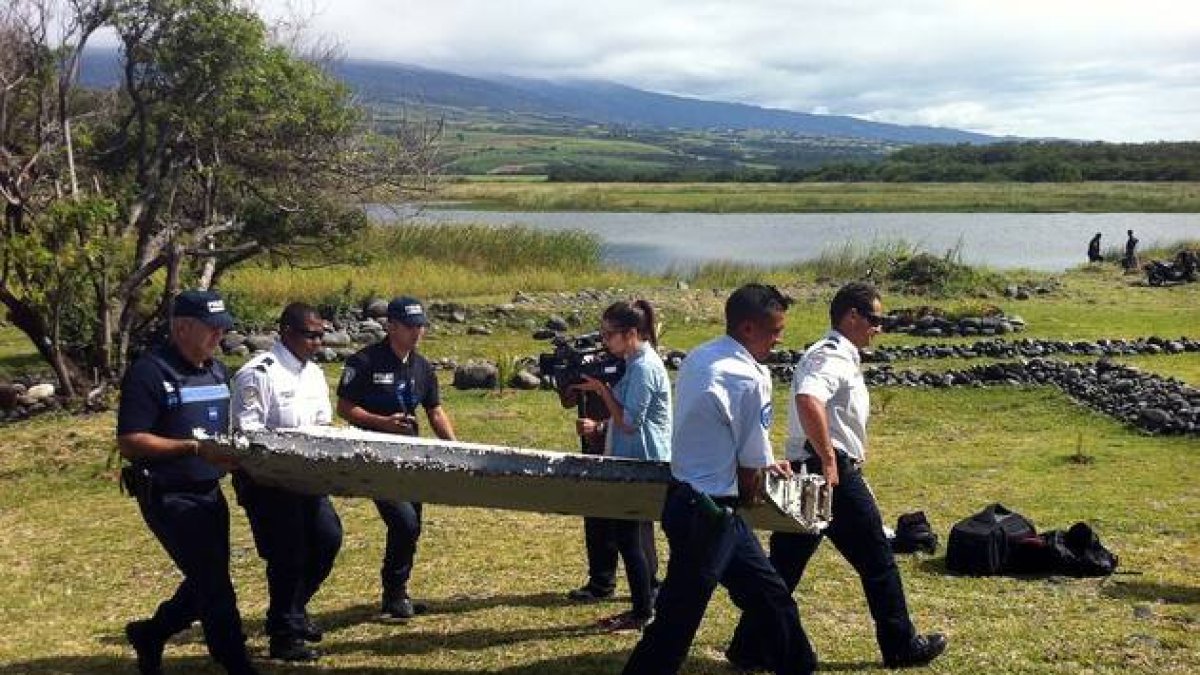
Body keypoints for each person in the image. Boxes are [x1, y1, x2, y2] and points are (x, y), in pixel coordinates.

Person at [727, 281, 947, 670]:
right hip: (830, 472)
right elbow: (808, 399)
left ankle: (750, 645)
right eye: (875, 319)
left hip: (816, 467)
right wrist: (830, 458)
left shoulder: (838, 355)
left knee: (784, 565)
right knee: (877, 559)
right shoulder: (830, 356)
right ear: (851, 317)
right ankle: (900, 644)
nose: (879, 327)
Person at [622, 284, 814, 675]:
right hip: (710, 513)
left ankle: (799, 665)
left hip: (685, 499)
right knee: (677, 619)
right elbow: (749, 469)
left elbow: (721, 431)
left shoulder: (701, 356)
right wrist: (756, 480)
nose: (779, 340)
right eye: (774, 330)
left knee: (770, 595)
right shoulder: (748, 377)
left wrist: (758, 461)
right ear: (748, 327)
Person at [116, 290, 259, 675]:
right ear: (182, 328)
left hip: (210, 492)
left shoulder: (216, 370)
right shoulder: (150, 371)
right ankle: (236, 662)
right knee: (214, 584)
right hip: (168, 494)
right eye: (211, 328)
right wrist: (193, 448)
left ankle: (151, 633)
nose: (219, 335)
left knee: (207, 579)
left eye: (222, 328)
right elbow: (130, 440)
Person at [230, 302, 342, 662]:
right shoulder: (258, 374)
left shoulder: (313, 373)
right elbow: (247, 434)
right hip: (268, 480)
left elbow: (322, 425)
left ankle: (293, 610)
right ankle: (283, 634)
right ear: (287, 332)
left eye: (322, 335)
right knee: (288, 554)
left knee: (327, 539)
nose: (318, 342)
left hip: (308, 478)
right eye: (311, 335)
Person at [336, 296, 457, 621]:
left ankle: (397, 593)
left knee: (412, 525)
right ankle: (393, 593)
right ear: (391, 326)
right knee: (402, 521)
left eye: (421, 326)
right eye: (410, 326)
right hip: (374, 457)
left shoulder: (422, 366)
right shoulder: (364, 361)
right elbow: (345, 407)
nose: (417, 332)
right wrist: (382, 423)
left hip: (411, 457)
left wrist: (456, 447)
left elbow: (434, 410)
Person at [571, 299, 671, 631]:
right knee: (628, 537)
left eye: (609, 334)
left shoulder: (644, 366)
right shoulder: (634, 361)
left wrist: (602, 389)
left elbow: (630, 421)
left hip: (642, 459)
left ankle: (643, 610)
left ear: (631, 333)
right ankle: (643, 607)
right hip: (631, 457)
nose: (604, 341)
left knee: (630, 539)